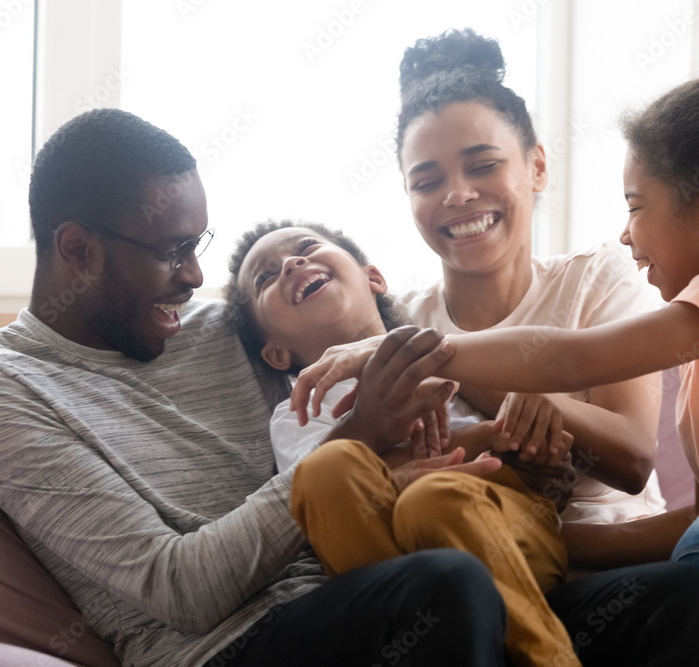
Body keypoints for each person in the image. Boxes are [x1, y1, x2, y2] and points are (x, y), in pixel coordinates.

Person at [295, 23, 699, 664]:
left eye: (637, 206)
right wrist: (540, 538)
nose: (624, 234)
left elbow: (573, 356)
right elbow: (693, 527)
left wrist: (407, 350)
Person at [0, 108, 512, 667]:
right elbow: (177, 589)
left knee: (598, 600)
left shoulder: (220, 325)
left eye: (197, 245)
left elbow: (364, 341)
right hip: (224, 648)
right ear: (78, 250)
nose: (195, 277)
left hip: (360, 586)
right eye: (171, 251)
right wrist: (360, 434)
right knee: (446, 587)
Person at [300, 29, 670, 567]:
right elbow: (393, 476)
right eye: (426, 181)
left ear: (537, 167)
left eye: (483, 165)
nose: (457, 194)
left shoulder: (594, 278)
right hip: (466, 564)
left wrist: (499, 382)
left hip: (611, 566)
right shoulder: (401, 318)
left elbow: (633, 461)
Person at [223, 219, 581, 666]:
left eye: (307, 247)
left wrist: (526, 429)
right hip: (399, 559)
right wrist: (477, 440)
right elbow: (338, 500)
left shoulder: (450, 355)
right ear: (276, 353)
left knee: (435, 498)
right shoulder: (297, 414)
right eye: (265, 277)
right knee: (324, 470)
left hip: (503, 528)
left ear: (373, 278)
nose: (292, 263)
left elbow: (519, 439)